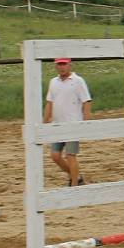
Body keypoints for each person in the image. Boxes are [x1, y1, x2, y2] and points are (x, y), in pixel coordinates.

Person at [44, 58, 92, 186]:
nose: (61, 67)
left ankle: (74, 184)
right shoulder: (53, 82)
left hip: (73, 124)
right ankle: (75, 176)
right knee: (55, 156)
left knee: (70, 155)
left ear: (69, 65)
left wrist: (86, 122)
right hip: (57, 125)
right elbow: (50, 102)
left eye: (64, 64)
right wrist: (45, 120)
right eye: (59, 64)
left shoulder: (78, 81)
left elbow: (86, 101)